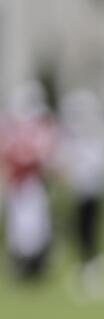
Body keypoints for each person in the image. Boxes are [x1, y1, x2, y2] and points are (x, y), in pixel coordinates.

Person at [54, 89, 104, 301]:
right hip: (79, 192)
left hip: (97, 190)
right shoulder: (70, 135)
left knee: (93, 228)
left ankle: (94, 266)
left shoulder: (101, 132)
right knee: (80, 229)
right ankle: (86, 266)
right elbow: (62, 162)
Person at [0, 81, 56, 280]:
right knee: (18, 227)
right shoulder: (10, 129)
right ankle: (21, 265)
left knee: (36, 226)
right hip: (17, 184)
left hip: (32, 183)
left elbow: (43, 155)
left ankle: (36, 265)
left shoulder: (41, 128)